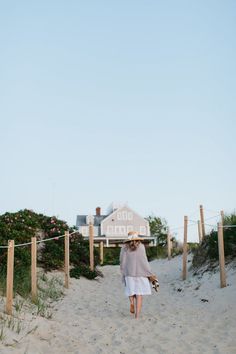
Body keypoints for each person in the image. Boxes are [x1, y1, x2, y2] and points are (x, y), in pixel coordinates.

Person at [120, 231, 157, 319]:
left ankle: (132, 302)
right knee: (139, 294)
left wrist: (123, 272)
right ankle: (137, 316)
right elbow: (144, 260)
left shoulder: (124, 248)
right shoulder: (141, 247)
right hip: (141, 273)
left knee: (130, 291)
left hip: (129, 273)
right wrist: (149, 272)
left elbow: (123, 261)